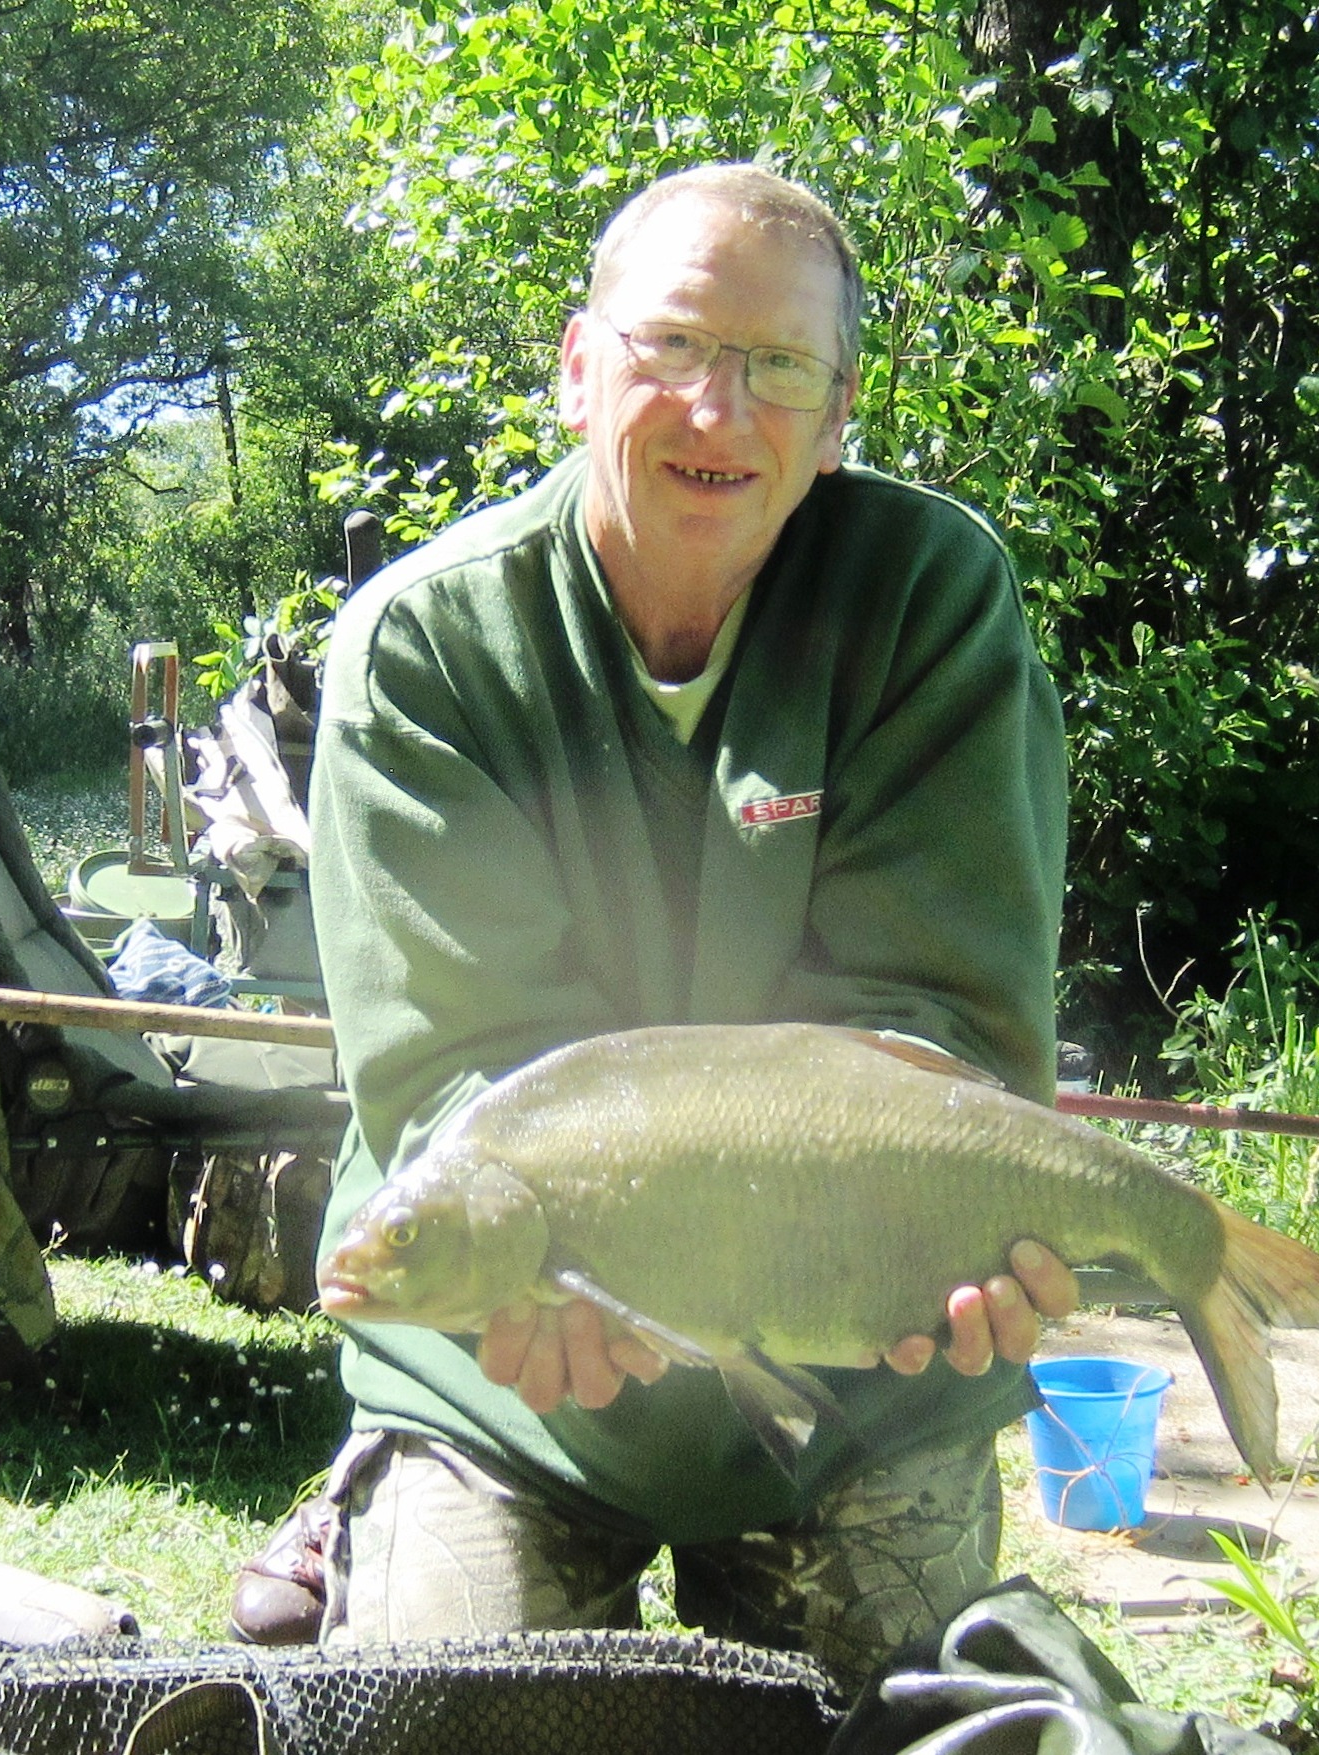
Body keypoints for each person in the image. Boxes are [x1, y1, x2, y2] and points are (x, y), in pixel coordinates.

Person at [232, 162, 1076, 1685]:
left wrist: (936, 1238)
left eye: (774, 368)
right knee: (459, 1718)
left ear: (836, 421)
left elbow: (941, 1032)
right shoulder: (428, 643)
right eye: (671, 348)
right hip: (508, 1362)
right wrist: (534, 1267)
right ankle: (382, 1505)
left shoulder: (929, 596)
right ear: (575, 368)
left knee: (894, 1722)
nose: (716, 410)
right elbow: (463, 1090)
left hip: (854, 1368)